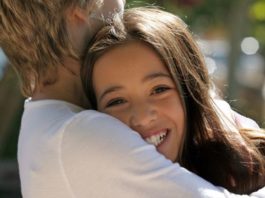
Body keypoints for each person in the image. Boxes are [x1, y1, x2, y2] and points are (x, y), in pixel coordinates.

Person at [0, 0, 264, 197]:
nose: (122, 5)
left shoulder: (50, 122)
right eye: (116, 101)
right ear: (79, 11)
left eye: (159, 89)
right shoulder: (79, 133)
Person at [81, 7, 265, 195]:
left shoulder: (251, 163)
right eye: (117, 101)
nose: (143, 117)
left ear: (191, 89)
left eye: (159, 90)